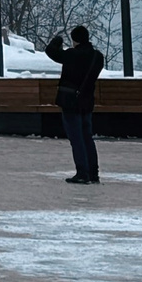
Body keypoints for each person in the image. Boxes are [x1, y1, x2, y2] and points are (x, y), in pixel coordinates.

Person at [45, 24, 104, 185]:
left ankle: (82, 172)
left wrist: (57, 40)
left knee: (76, 138)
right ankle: (93, 173)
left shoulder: (72, 55)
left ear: (75, 40)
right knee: (87, 137)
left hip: (70, 102)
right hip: (87, 102)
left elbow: (51, 52)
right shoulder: (97, 57)